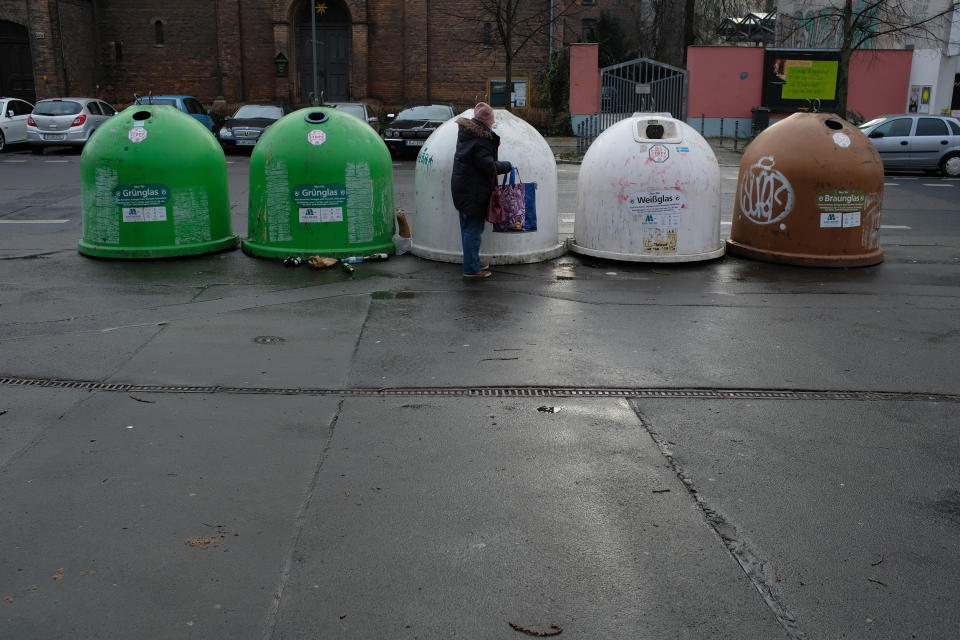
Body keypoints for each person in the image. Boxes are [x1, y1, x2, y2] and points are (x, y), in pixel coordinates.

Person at [450, 102, 512, 278]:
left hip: (463, 188)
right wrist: (506, 166)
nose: (493, 123)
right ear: (487, 121)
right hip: (473, 192)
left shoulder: (466, 134)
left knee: (467, 228)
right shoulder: (480, 141)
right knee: (473, 231)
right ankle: (471, 269)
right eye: (491, 120)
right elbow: (488, 166)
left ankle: (473, 261)